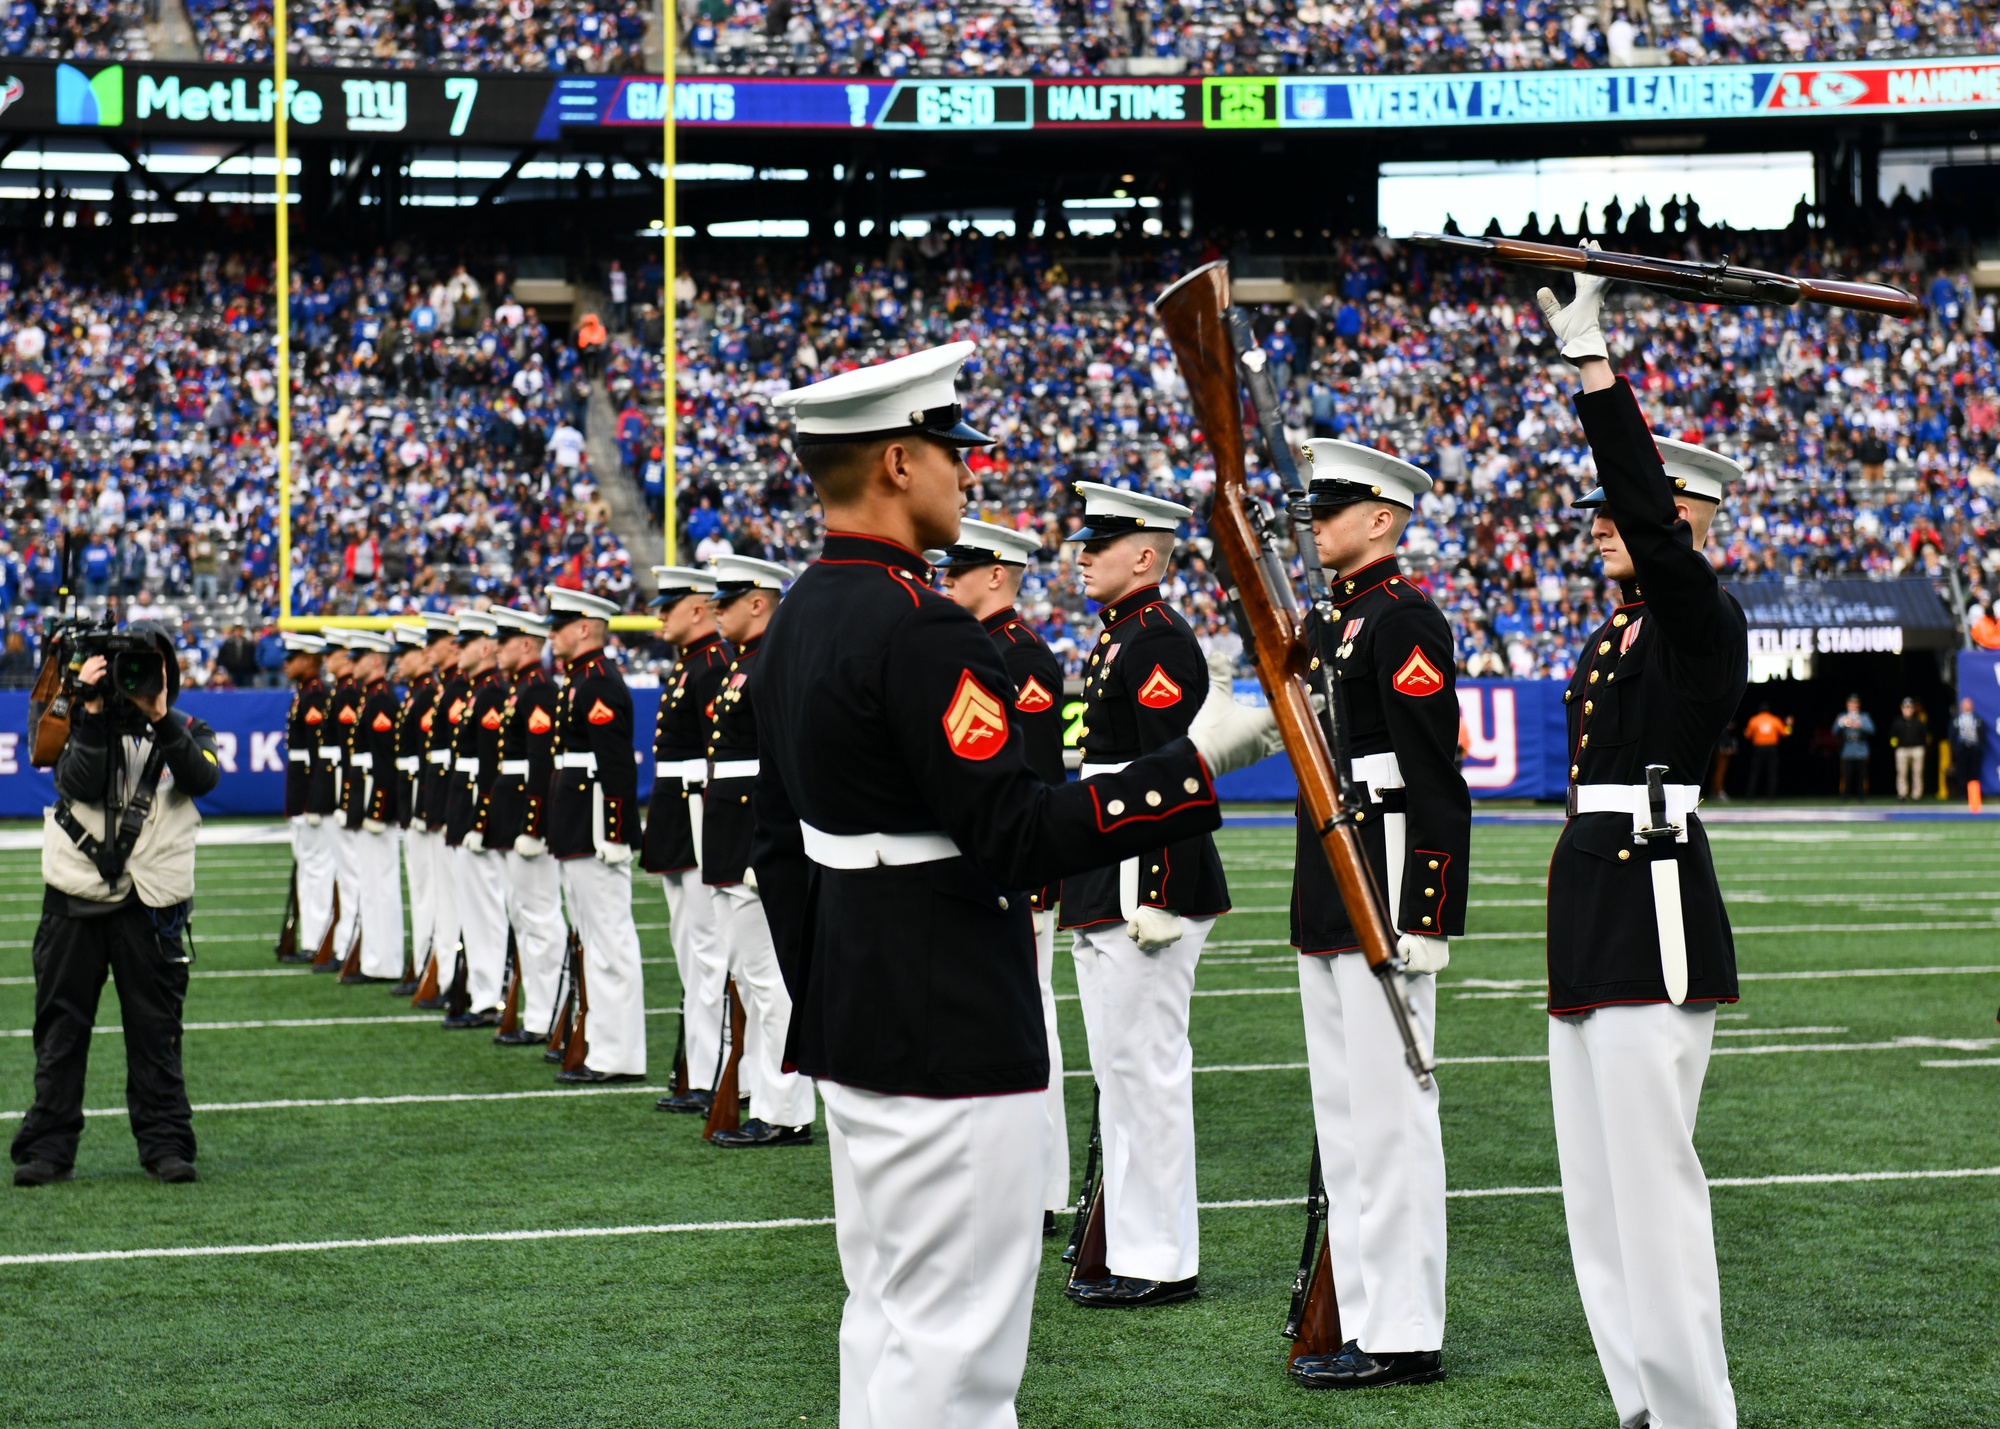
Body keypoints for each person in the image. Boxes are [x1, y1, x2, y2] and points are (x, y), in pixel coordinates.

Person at [755, 341, 1283, 1427]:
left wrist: (821, 993)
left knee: (888, 1318)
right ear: (897, 462)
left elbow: (776, 843)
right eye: (951, 453)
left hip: (855, 1002)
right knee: (958, 1347)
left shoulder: (801, 612)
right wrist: (1197, 764)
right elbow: (1011, 833)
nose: (967, 475)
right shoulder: (922, 628)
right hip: (945, 1008)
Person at [1536, 265, 1748, 1429]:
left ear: (1685, 524)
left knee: (1651, 1190)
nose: (1607, 528)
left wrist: (1592, 370)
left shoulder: (1698, 621)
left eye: (1634, 515)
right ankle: (1637, 1401)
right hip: (1592, 917)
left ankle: (1690, 1413)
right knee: (1596, 1193)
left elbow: (1657, 543)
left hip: (1651, 912)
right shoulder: (1611, 633)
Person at [1284, 440, 1468, 1392]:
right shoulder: (1342, 622)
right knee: (1347, 1117)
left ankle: (1403, 1328)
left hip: (1385, 868)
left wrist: (1426, 910)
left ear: (1384, 519)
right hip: (1333, 862)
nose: (1316, 520)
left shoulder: (1403, 620)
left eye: (1336, 506)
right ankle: (1360, 1310)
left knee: (1390, 1114)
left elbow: (1437, 778)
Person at [1057, 479, 1230, 1310]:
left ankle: (1160, 1255)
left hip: (1142, 878)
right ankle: (1128, 1240)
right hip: (1109, 867)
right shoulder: (1122, 636)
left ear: (1145, 554)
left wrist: (1154, 889)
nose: (1081, 554)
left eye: (1100, 542)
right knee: (1121, 1069)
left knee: (1147, 1070)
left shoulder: (1156, 639)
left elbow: (1170, 778)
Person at [13, 621, 220, 1186]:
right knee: (59, 1030)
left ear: (168, 675)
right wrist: (94, 710)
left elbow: (201, 778)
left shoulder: (189, 728)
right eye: (128, 668)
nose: (136, 678)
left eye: (148, 668)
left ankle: (165, 1144)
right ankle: (49, 1148)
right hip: (74, 896)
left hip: (150, 906)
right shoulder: (68, 720)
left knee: (156, 1032)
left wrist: (157, 714)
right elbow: (76, 782)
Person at [931, 518, 1072, 1227]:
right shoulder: (981, 648)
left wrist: (1034, 875)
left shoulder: (1020, 656)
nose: (944, 583)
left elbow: (1038, 776)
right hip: (979, 867)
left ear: (995, 575)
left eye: (956, 573)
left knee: (1031, 1019)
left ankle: (1044, 1187)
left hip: (1015, 874)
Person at [703, 553, 817, 1147]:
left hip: (757, 839)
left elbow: (785, 767)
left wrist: (764, 851)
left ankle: (786, 1107)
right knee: (749, 976)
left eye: (726, 601)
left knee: (770, 979)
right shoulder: (744, 663)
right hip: (732, 836)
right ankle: (763, 1091)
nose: (715, 612)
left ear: (758, 602)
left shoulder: (772, 663)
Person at [544, 586, 648, 1084]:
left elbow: (615, 768)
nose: (551, 634)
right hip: (576, 825)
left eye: (559, 625)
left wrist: (615, 831)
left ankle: (618, 1054)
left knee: (609, 941)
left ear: (584, 627)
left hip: (592, 830)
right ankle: (601, 1047)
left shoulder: (599, 681)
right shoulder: (578, 680)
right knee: (593, 937)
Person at [640, 566, 734, 1116]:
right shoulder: (691, 667)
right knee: (691, 951)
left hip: (700, 816)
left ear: (696, 608)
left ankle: (715, 1072)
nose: (657, 616)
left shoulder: (712, 666)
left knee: (708, 950)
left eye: (667, 606)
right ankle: (700, 1069)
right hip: (680, 819)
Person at [483, 606, 567, 1044]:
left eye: (505, 640)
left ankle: (545, 1014)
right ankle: (538, 1011)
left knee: (538, 915)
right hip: (512, 809)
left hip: (525, 813)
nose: (496, 648)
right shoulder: (522, 688)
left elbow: (540, 762)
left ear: (528, 644)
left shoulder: (536, 690)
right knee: (523, 913)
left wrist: (533, 825)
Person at [441, 611, 510, 1027]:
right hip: (464, 803)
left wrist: (480, 820)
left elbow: (490, 765)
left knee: (484, 906)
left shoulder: (489, 693)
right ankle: (479, 990)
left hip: (476, 807)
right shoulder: (476, 692)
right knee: (474, 904)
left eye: (464, 643)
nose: (457, 649)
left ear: (484, 648)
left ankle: (488, 995)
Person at [338, 630, 406, 984]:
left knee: (381, 883)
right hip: (364, 799)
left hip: (375, 803)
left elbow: (385, 762)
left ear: (377, 659)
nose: (353, 663)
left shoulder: (381, 700)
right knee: (371, 883)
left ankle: (386, 961)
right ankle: (375, 958)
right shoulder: (371, 698)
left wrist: (379, 809)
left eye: (360, 657)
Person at [389, 619, 446, 996]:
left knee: (434, 890)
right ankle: (426, 962)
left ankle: (434, 964)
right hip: (415, 801)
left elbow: (430, 761)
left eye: (405, 654)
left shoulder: (428, 695)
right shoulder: (416, 694)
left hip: (427, 802)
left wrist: (423, 808)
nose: (400, 661)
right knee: (424, 889)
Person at [414, 614, 464, 1007]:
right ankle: (449, 977)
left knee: (460, 898)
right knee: (441, 895)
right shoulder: (444, 690)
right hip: (444, 803)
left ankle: (460, 981)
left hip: (458, 806)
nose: (428, 649)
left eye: (436, 641)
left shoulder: (457, 690)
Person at [280, 632, 334, 966]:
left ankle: (317, 940)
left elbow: (318, 758)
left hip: (310, 796)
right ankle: (311, 938)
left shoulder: (315, 696)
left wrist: (313, 802)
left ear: (310, 659)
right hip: (301, 795)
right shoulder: (305, 695)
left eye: (293, 657)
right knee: (308, 867)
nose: (286, 664)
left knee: (317, 869)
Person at [317, 632, 366, 971]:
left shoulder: (349, 693)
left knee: (352, 872)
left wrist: (342, 797)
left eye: (331, 655)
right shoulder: (341, 692)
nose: (326, 660)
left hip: (344, 788)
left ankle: (351, 940)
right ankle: (346, 940)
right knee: (346, 871)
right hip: (336, 787)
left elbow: (348, 752)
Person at [1742, 704, 1791, 799]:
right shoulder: (1774, 719)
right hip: (1772, 748)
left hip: (1759, 748)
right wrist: (1789, 725)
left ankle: (1750, 796)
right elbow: (1786, 733)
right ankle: (1771, 796)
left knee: (1755, 772)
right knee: (1772, 772)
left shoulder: (1754, 719)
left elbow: (1747, 736)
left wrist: (1745, 732)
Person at [1835, 695, 1875, 799]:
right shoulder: (1842, 716)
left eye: (1854, 704)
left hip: (1861, 748)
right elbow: (1834, 731)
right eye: (1850, 704)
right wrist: (1841, 723)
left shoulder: (1864, 716)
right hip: (1847, 748)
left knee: (1862, 774)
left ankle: (1862, 794)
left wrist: (1860, 725)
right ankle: (1845, 794)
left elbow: (1871, 730)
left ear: (1858, 705)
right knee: (1846, 774)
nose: (1852, 706)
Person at [1889, 697, 1929, 802]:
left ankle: (1917, 794)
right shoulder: (1897, 722)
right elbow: (1893, 737)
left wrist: (1923, 747)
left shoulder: (1919, 722)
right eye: (1906, 707)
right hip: (1902, 750)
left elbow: (1925, 736)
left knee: (1917, 773)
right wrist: (1895, 748)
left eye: (1910, 707)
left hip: (1917, 749)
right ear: (1902, 708)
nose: (1908, 709)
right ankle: (1902, 793)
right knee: (1902, 772)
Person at [1950, 695, 1986, 800]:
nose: (1967, 706)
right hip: (1962, 747)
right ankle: (1962, 793)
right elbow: (1952, 735)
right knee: (1962, 771)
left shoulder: (1977, 719)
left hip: (1974, 747)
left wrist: (1979, 747)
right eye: (1965, 704)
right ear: (1961, 705)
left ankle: (1974, 795)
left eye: (1969, 704)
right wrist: (1956, 748)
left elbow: (1982, 734)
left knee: (1974, 772)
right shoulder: (1957, 719)